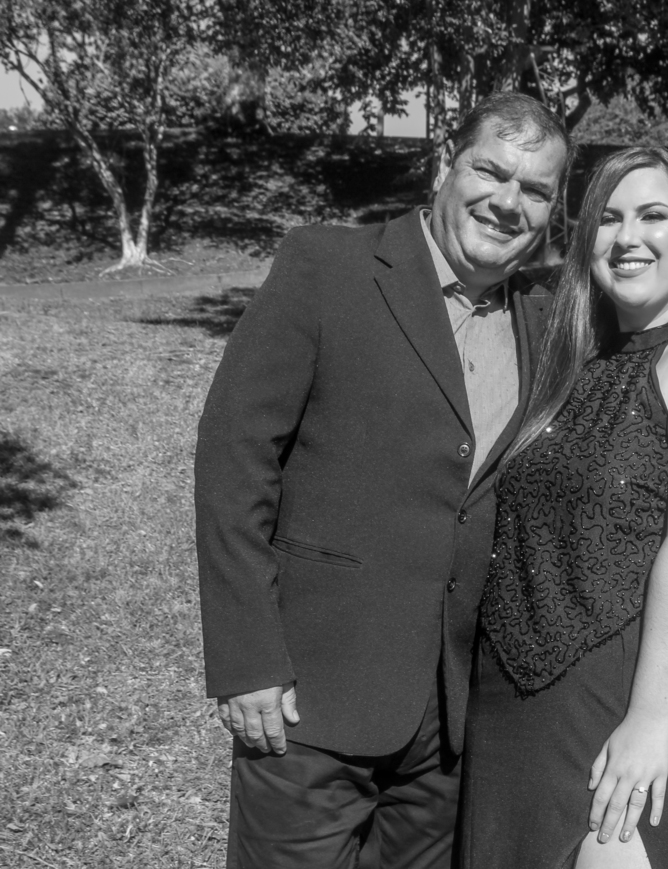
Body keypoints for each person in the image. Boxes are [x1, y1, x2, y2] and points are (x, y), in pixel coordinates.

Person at [193, 92, 571, 869]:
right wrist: (247, 658)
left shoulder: (546, 316)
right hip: (311, 697)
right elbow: (235, 455)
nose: (508, 202)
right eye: (491, 172)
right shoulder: (326, 267)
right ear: (443, 166)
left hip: (451, 722)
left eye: (535, 189)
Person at [459, 147, 668, 869]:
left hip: (634, 689)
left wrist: (650, 722)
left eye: (652, 215)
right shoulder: (572, 357)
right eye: (607, 218)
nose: (627, 237)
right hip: (515, 699)